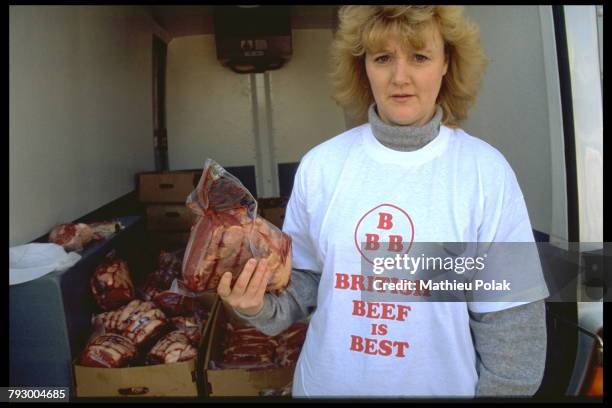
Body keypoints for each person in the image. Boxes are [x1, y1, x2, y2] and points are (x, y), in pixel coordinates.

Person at [217, 5, 549, 397]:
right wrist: (255, 304)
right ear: (363, 67)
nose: (400, 77)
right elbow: (302, 283)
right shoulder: (321, 166)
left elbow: (512, 325)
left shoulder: (485, 173)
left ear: (447, 64)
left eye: (420, 57)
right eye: (383, 58)